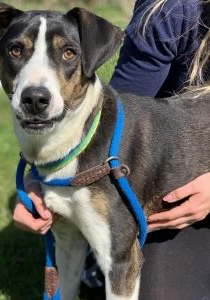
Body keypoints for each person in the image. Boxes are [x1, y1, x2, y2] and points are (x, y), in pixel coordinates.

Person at [13, 0, 210, 299]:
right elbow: (119, 116)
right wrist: (38, 175)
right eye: (17, 51)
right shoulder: (173, 9)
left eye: (67, 53)